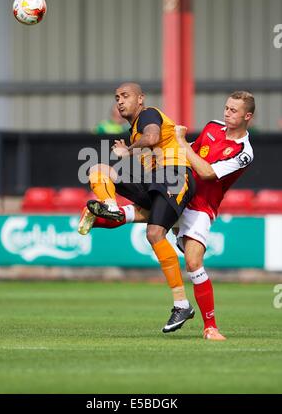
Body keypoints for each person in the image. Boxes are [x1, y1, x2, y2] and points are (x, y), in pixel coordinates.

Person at [80, 90, 255, 340]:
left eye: (234, 111)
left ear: (247, 116)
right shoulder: (213, 127)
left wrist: (182, 143)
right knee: (132, 218)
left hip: (200, 206)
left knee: (193, 263)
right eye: (226, 108)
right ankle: (97, 216)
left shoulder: (244, 151)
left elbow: (206, 171)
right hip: (176, 188)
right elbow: (184, 155)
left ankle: (210, 328)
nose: (227, 114)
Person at [79, 82, 196, 332]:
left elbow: (153, 136)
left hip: (175, 176)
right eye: (116, 97)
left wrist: (127, 151)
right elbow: (150, 146)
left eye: (125, 96)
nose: (119, 101)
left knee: (154, 233)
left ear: (140, 99)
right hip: (158, 182)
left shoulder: (148, 114)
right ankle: (109, 207)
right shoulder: (134, 132)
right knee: (98, 170)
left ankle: (182, 304)